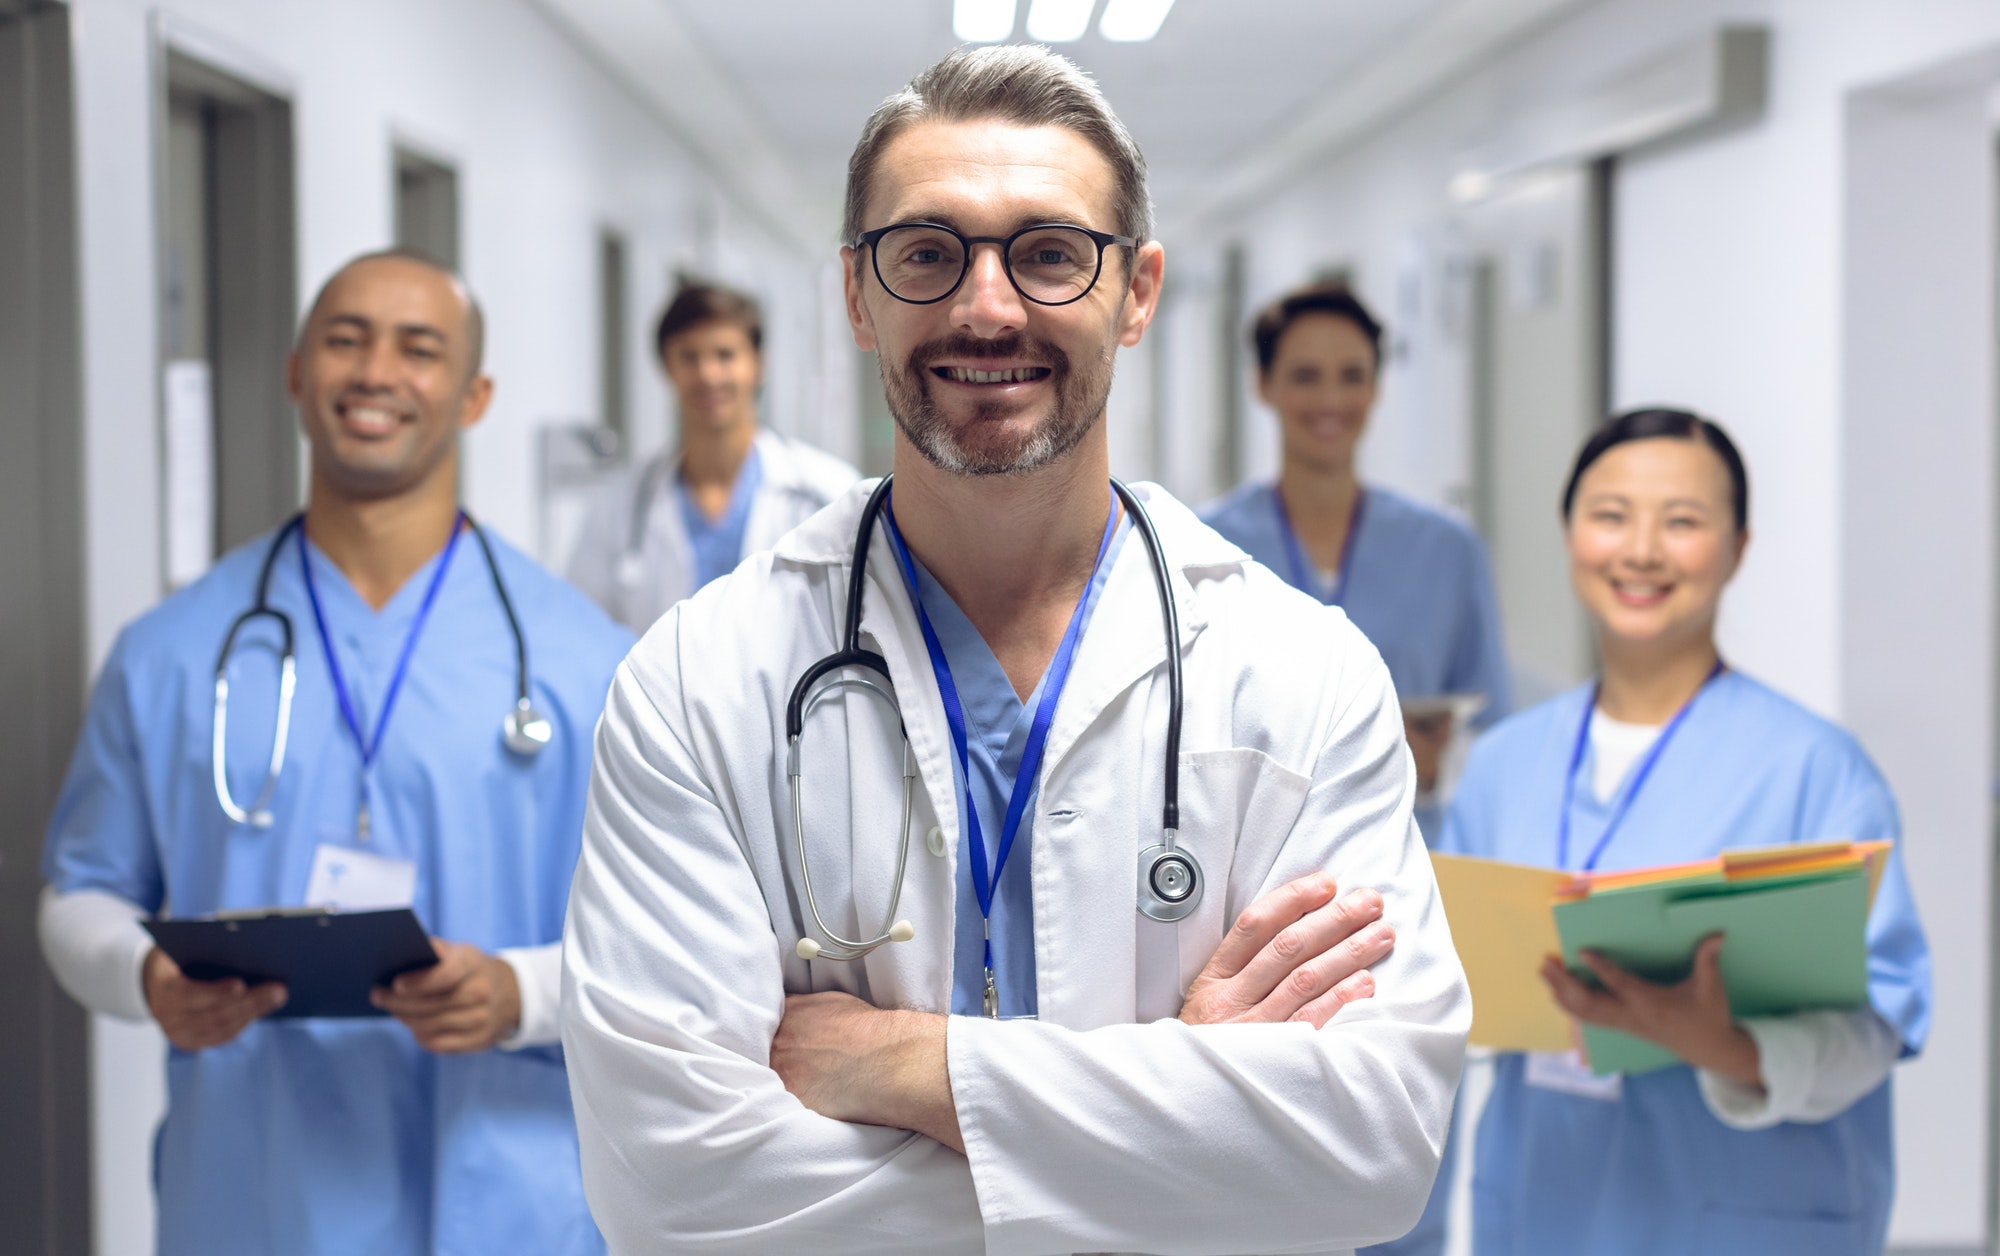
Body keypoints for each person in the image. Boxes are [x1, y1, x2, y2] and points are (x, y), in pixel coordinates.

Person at [562, 45, 1470, 1255]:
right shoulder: (697, 682)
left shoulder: (1300, 674)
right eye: (927, 252)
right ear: (856, 293)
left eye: (1047, 253)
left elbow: (1373, 1146)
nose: (985, 306)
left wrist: (916, 1066)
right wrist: (1184, 1117)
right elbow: (670, 1189)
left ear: (1135, 290)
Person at [38, 250, 633, 1255]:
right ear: (295, 371)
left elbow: (677, 952)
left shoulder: (590, 662)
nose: (374, 373)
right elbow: (78, 892)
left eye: (419, 347)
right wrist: (144, 973)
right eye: (345, 340)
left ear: (473, 394)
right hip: (254, 1192)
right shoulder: (173, 651)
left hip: (508, 1200)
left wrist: (519, 991)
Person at [1438, 408, 1931, 1255]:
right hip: (1543, 1206)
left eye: (1683, 522)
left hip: (1743, 1219)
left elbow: (1876, 1027)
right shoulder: (1500, 765)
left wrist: (1733, 1047)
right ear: (1569, 533)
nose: (1641, 550)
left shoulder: (1816, 769)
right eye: (1611, 515)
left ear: (1738, 547)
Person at [1203, 283, 1510, 838]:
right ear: (1263, 385)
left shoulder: (1446, 549)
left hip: (1409, 842)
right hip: (1252, 846)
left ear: (1376, 388)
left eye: (1352, 376)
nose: (1331, 401)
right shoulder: (1205, 544)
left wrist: (1441, 758)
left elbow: (1493, 730)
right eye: (1305, 376)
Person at [566, 278, 858, 631]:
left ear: (758, 365)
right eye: (689, 357)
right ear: (667, 368)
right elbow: (579, 629)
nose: (707, 374)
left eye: (725, 355)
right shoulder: (620, 506)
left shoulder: (829, 493)